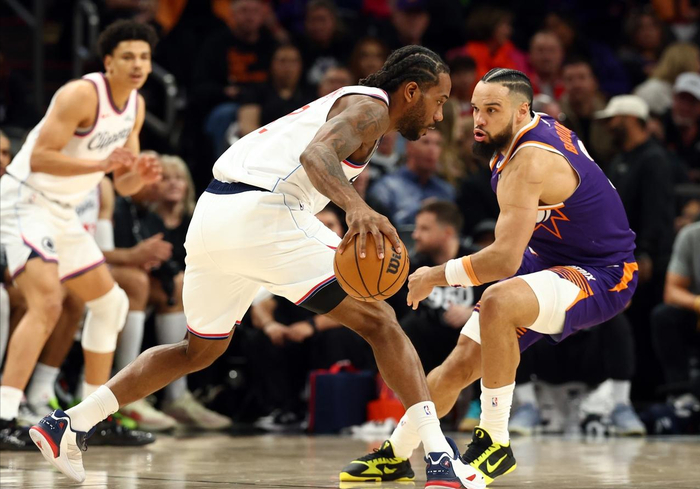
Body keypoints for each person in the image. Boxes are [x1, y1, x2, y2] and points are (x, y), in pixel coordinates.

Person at [31, 45, 486, 489]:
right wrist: (357, 208)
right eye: (439, 101)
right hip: (264, 213)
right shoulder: (370, 109)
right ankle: (439, 457)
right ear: (411, 91)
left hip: (212, 215)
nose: (440, 116)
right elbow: (316, 156)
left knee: (197, 351)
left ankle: (69, 422)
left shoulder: (351, 105)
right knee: (381, 321)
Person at [341, 68, 638, 485]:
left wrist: (434, 275)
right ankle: (397, 453)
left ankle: (495, 440)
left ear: (521, 111)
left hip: (604, 272)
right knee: (458, 365)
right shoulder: (521, 134)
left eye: (492, 110)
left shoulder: (529, 161)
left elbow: (503, 262)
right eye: (476, 109)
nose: (479, 120)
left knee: (498, 299)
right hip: (549, 258)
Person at [0, 20, 161, 450]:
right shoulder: (80, 94)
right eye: (127, 56)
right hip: (25, 200)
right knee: (47, 303)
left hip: (62, 211)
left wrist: (139, 176)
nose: (137, 65)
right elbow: (40, 157)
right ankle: (4, 416)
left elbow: (123, 182)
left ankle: (88, 419)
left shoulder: (136, 106)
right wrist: (103, 165)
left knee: (111, 304)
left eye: (144, 57)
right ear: (109, 62)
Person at [368, 129, 455, 226]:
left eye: (437, 144)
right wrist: (420, 211)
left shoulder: (446, 191)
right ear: (409, 147)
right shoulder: (386, 189)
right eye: (426, 142)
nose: (432, 150)